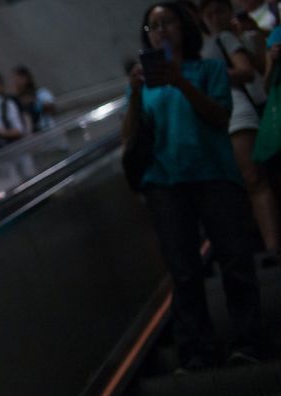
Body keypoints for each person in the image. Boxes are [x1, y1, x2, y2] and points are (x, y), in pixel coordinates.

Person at [124, 2, 267, 369]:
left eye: (167, 23)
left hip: (215, 175)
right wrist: (136, 95)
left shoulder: (211, 69)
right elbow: (130, 137)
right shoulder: (144, 84)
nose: (161, 31)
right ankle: (197, 350)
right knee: (183, 270)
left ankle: (249, 341)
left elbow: (220, 117)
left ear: (183, 28)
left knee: (235, 257)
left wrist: (181, 81)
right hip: (165, 184)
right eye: (153, 26)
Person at [200, 0, 281, 259]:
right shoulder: (211, 43)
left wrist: (210, 75)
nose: (213, 18)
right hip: (236, 113)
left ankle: (271, 244)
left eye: (218, 11)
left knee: (255, 181)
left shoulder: (225, 39)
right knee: (253, 181)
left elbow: (249, 71)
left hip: (241, 112)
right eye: (208, 14)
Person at [10, 66, 56, 133]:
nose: (15, 82)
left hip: (47, 131)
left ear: (26, 78)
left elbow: (52, 110)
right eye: (13, 79)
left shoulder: (41, 93)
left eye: (17, 78)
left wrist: (36, 103)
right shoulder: (14, 100)